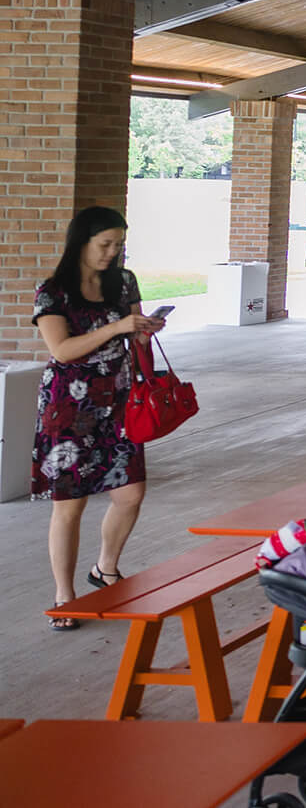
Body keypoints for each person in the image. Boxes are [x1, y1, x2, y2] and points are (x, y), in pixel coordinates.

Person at [34, 207, 161, 629]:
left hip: (119, 403)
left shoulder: (123, 281)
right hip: (68, 410)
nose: (112, 253)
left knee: (131, 494)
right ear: (81, 243)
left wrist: (143, 329)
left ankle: (105, 568)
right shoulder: (54, 291)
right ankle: (64, 595)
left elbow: (133, 333)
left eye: (119, 245)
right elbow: (62, 350)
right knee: (70, 506)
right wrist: (117, 326)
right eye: (105, 244)